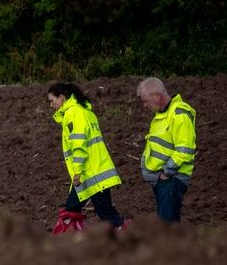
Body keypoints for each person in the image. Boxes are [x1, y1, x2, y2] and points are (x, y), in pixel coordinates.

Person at [47, 82, 125, 233]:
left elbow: (79, 146)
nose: (51, 105)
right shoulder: (85, 112)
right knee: (81, 210)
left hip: (89, 174)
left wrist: (77, 172)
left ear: (61, 98)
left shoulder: (73, 114)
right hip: (93, 173)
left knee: (98, 213)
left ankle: (127, 233)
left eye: (52, 101)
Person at [136, 77, 196, 222]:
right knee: (167, 224)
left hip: (172, 179)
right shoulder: (162, 115)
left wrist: (166, 172)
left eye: (146, 101)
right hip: (163, 180)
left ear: (157, 96)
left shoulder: (180, 114)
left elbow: (184, 150)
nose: (145, 105)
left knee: (166, 226)